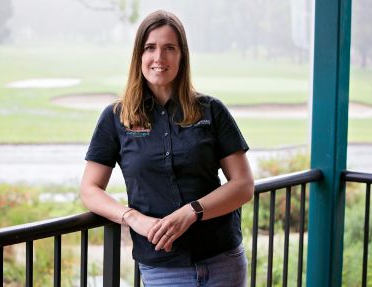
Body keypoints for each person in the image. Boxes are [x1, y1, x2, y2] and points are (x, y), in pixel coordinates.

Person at [80, 10, 254, 287]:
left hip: (223, 260)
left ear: (182, 56)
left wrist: (192, 211)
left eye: (169, 48)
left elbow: (244, 185)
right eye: (150, 48)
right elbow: (89, 189)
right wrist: (132, 218)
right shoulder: (116, 117)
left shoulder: (212, 110)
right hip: (162, 268)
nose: (159, 58)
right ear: (139, 55)